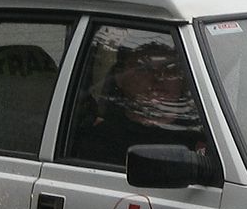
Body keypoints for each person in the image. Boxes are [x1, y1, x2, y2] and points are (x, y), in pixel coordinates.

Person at [71, 40, 204, 166]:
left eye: (170, 70)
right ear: (120, 79)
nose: (159, 77)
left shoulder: (206, 132)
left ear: (183, 81)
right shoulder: (101, 140)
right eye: (144, 69)